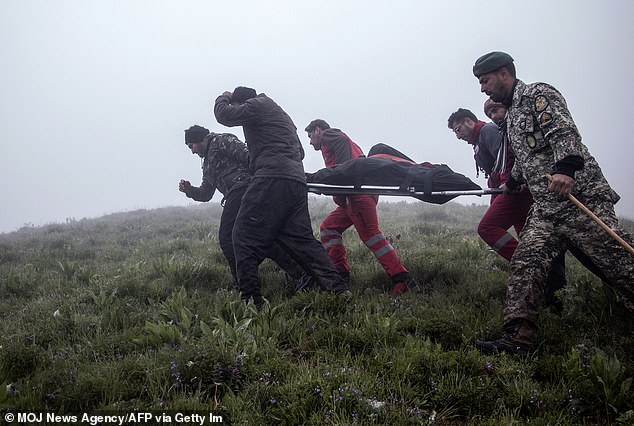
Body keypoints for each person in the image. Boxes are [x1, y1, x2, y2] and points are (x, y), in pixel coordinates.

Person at [471, 51, 634, 355]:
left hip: (579, 200)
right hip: (546, 210)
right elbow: (530, 156)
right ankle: (517, 340)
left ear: (505, 73)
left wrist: (566, 169)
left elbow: (563, 132)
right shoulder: (512, 115)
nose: (483, 88)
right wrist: (514, 181)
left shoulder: (537, 95)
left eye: (486, 80)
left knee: (617, 264)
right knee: (526, 262)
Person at [213, 87, 350, 308]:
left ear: (243, 102)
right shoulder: (282, 116)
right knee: (302, 241)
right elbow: (301, 152)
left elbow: (224, 115)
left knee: (241, 236)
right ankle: (339, 289)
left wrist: (224, 97)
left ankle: (251, 302)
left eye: (239, 107)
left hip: (271, 178)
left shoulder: (258, 104)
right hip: (294, 181)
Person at [178, 125, 311, 293]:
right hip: (237, 193)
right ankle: (299, 273)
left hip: (245, 188)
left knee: (227, 237)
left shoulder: (221, 141)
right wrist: (190, 190)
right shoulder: (207, 164)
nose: (192, 151)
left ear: (201, 139)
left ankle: (244, 285)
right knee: (261, 238)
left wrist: (265, 182)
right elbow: (206, 193)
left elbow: (250, 156)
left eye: (191, 146)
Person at [304, 119, 419, 296]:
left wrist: (330, 175)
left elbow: (343, 170)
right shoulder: (336, 143)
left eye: (310, 136)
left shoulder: (330, 136)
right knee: (329, 228)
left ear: (318, 130)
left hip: (358, 196)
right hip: (354, 196)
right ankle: (340, 274)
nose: (310, 141)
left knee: (371, 236)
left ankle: (402, 279)